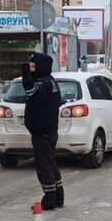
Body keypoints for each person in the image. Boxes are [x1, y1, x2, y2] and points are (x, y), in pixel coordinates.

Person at [21, 52, 64, 210]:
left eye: (33, 66)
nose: (31, 69)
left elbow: (31, 91)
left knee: (44, 166)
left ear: (41, 67)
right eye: (30, 67)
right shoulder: (50, 81)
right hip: (49, 129)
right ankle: (58, 195)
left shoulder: (44, 83)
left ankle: (50, 198)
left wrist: (25, 75)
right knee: (51, 163)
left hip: (43, 131)